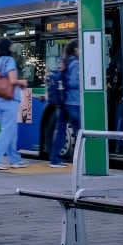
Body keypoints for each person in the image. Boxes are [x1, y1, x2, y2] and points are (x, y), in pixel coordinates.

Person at [0, 39, 29, 170]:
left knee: (10, 130)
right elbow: (12, 80)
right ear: (8, 47)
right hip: (9, 99)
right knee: (8, 130)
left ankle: (15, 160)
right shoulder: (9, 60)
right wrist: (22, 82)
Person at [50, 39, 82, 168]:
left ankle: (55, 159)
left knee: (61, 130)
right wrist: (85, 82)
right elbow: (73, 83)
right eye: (80, 48)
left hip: (62, 101)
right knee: (80, 132)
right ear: (75, 49)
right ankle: (82, 159)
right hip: (73, 101)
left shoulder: (63, 61)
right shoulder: (75, 63)